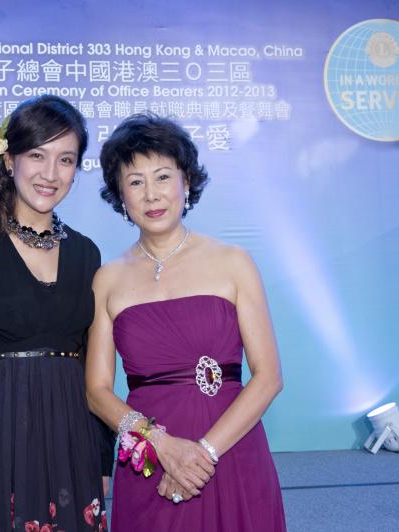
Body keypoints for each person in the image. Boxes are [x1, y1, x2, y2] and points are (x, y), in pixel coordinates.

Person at [86, 113, 286, 531]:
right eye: (135, 182)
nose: (151, 194)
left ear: (187, 182)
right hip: (149, 461)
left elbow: (268, 377)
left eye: (163, 177)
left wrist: (203, 454)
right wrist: (161, 444)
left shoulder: (233, 262)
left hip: (231, 449)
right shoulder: (107, 279)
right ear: (120, 195)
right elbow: (97, 392)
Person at [0, 95, 112, 532]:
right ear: (9, 160)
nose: (51, 174)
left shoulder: (87, 253)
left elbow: (94, 366)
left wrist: (103, 458)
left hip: (72, 441)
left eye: (66, 160)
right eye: (37, 156)